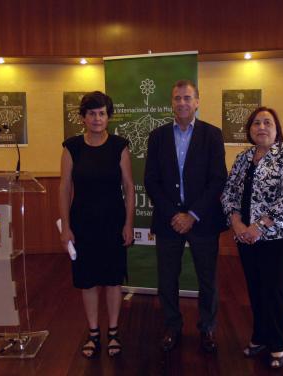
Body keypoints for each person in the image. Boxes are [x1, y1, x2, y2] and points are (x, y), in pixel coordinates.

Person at [144, 80, 227, 353]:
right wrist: (174, 214)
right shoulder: (157, 136)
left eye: (187, 98)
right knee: (167, 278)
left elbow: (218, 180)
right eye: (177, 98)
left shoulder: (213, 135)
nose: (182, 102)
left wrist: (191, 214)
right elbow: (151, 181)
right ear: (171, 102)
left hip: (203, 220)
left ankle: (208, 329)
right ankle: (172, 326)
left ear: (197, 101)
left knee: (207, 279)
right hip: (168, 221)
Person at [221, 106, 283, 369]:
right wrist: (236, 223)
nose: (261, 127)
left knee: (274, 289)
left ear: (276, 128)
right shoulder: (243, 157)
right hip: (245, 235)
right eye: (256, 123)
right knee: (255, 287)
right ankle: (259, 337)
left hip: (279, 235)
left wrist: (259, 226)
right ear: (249, 130)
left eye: (267, 123)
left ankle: (277, 345)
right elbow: (228, 193)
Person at [59, 91, 135, 358]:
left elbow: (129, 187)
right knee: (88, 281)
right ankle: (93, 333)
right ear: (83, 118)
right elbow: (65, 187)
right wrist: (66, 227)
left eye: (102, 113)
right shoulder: (71, 147)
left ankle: (113, 332)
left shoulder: (119, 146)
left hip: (113, 222)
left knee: (113, 280)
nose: (97, 118)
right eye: (91, 113)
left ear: (108, 116)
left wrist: (128, 223)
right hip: (82, 224)